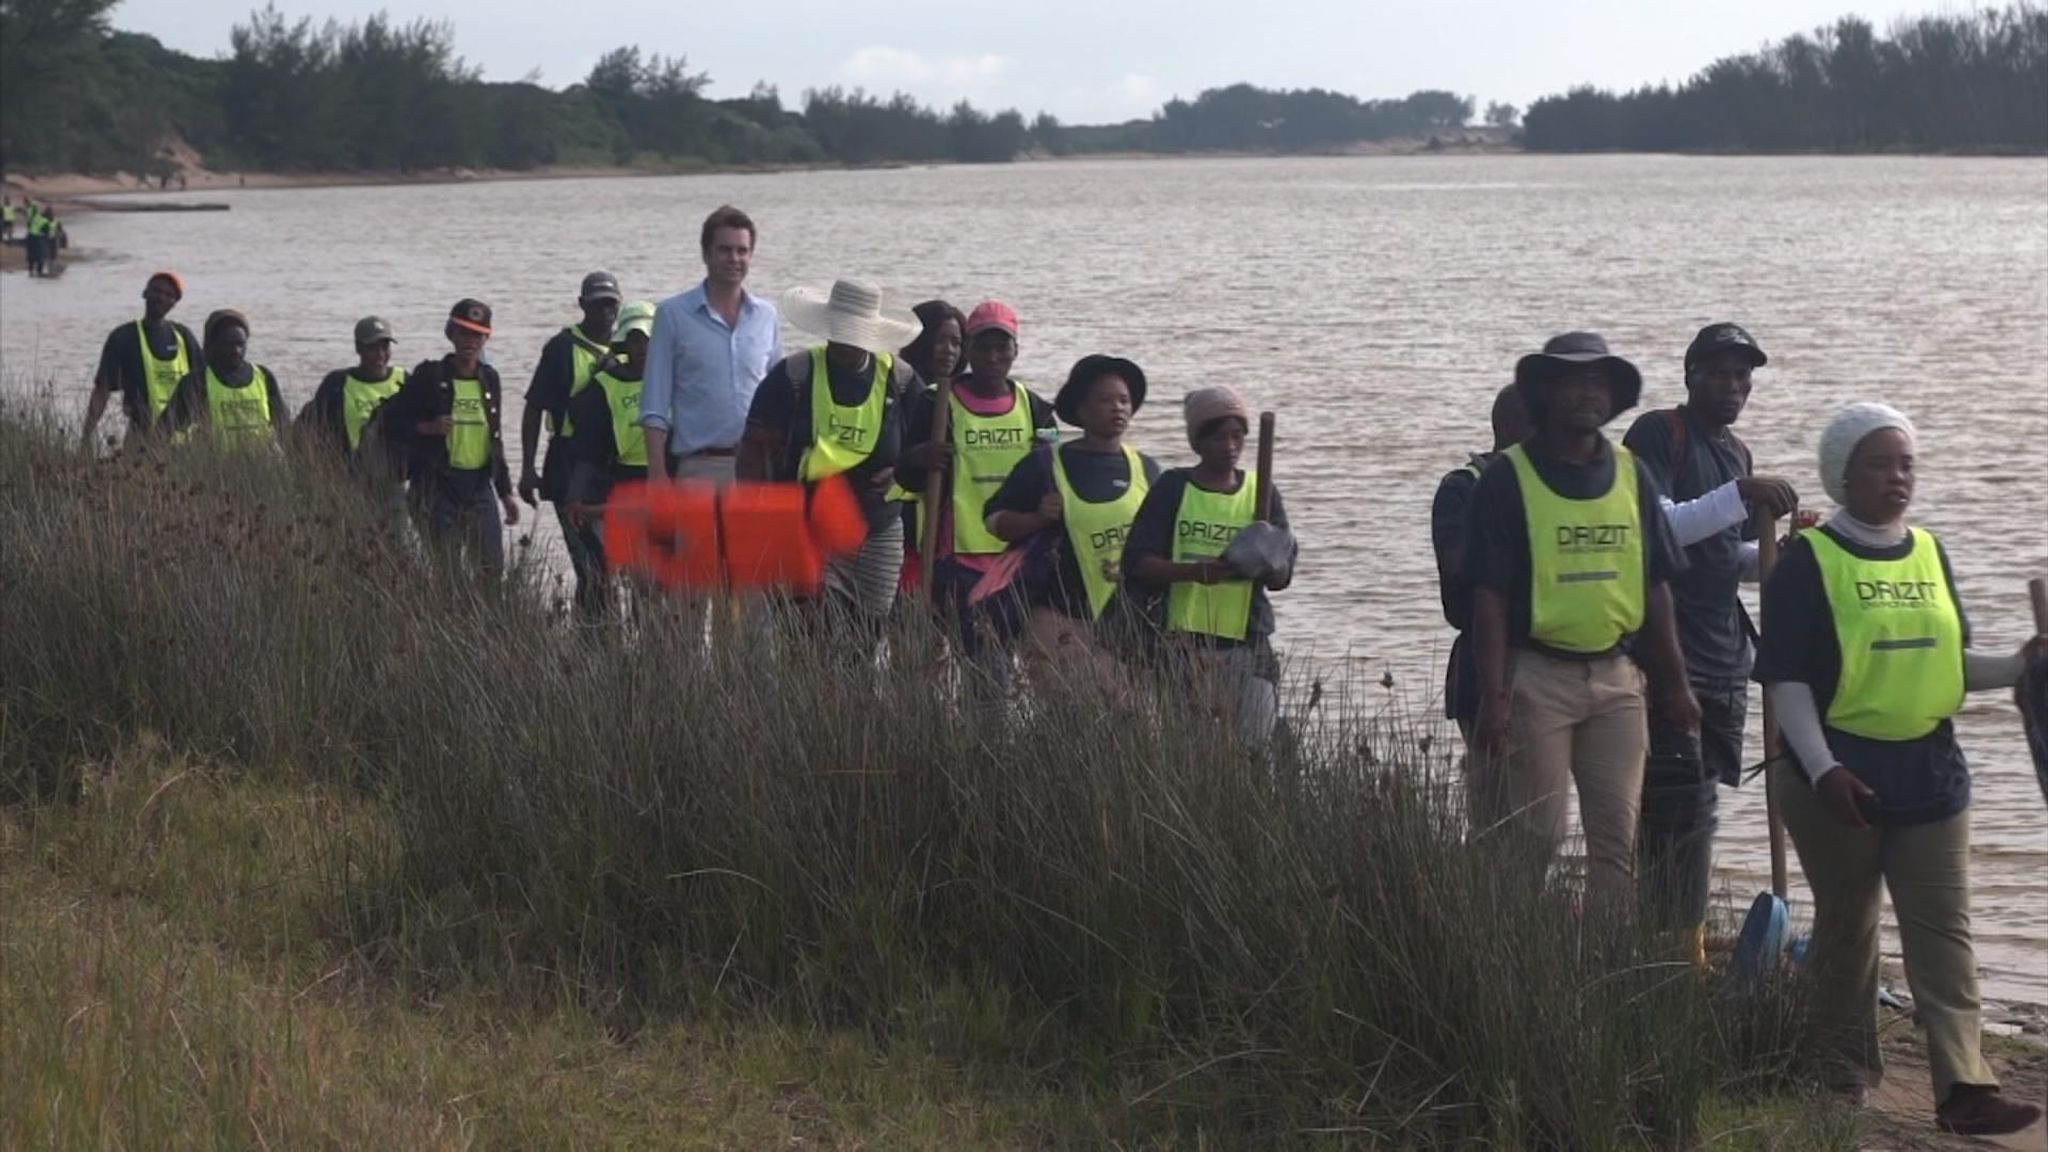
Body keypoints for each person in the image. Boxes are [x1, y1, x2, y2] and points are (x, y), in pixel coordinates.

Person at [1758, 403, 2046, 1137]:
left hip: (1930, 773)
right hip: (1835, 777)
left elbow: (1949, 665)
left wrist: (2022, 666)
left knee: (1944, 931)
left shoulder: (1929, 552)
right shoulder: (1809, 562)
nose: (1898, 477)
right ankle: (1842, 1076)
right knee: (1849, 928)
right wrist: (1823, 770)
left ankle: (1966, 1089)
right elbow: (1786, 680)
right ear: (1844, 473)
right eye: (1881, 463)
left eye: (1907, 463)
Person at [1461, 332, 1695, 903]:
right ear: (1544, 393)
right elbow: (1487, 597)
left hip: (1617, 680)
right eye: (1573, 381)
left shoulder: (1631, 473)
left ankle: (1602, 971)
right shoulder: (1507, 477)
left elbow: (1655, 585)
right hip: (1537, 677)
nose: (1588, 393)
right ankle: (1502, 946)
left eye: (1600, 382)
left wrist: (1676, 684)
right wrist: (1492, 698)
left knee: (1617, 842)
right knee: (1536, 835)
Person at [1622, 322, 1801, 948]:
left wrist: (1785, 550)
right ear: (1691, 374)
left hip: (1727, 654)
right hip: (1670, 654)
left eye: (1742, 377)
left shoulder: (1737, 452)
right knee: (1672, 805)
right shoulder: (1657, 434)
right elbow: (1656, 529)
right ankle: (1669, 939)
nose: (1733, 387)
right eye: (1720, 373)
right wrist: (1740, 494)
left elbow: (1731, 556)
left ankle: (1679, 934)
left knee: (1702, 804)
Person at [739, 279, 921, 621]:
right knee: (807, 629)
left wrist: (902, 472)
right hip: (803, 529)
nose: (846, 342)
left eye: (855, 334)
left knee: (868, 633)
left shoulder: (901, 380)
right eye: (840, 332)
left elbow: (925, 447)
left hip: (877, 533)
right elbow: (751, 454)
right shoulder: (792, 375)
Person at [1124, 385, 1297, 744]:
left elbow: (1283, 574)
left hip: (1248, 640)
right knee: (1194, 746)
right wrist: (1197, 573)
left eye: (1237, 437)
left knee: (1256, 744)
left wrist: (1267, 562)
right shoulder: (1174, 487)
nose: (1229, 447)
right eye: (1218, 438)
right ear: (1197, 442)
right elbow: (1137, 562)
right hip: (1181, 644)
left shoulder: (1260, 491)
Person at [984, 354, 1161, 666]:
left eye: (1124, 399)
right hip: (1057, 618)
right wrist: (1036, 519)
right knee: (1062, 714)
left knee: (1130, 712)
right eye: (1106, 399)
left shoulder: (1146, 468)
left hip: (1128, 623)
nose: (1118, 407)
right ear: (1081, 408)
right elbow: (994, 521)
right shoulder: (1043, 464)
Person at [894, 300, 1057, 632]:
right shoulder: (936, 401)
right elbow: (905, 474)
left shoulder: (1036, 409)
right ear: (969, 349)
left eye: (1002, 347)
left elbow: (1058, 474)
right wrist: (920, 457)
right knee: (973, 653)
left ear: (1016, 349)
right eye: (983, 347)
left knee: (1014, 654)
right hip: (956, 557)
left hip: (1018, 556)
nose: (993, 357)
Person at [642, 206, 782, 485]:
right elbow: (654, 405)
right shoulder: (673, 315)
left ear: (751, 256)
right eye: (725, 250)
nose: (734, 259)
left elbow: (777, 397)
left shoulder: (767, 316)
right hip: (698, 469)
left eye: (742, 251)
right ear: (706, 254)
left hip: (756, 468)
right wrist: (657, 473)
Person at [383, 299, 520, 578]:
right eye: (464, 333)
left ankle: (487, 621)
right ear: (451, 334)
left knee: (492, 570)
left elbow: (494, 439)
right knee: (449, 574)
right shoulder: (429, 376)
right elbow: (391, 422)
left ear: (486, 339)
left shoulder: (490, 379)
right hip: (436, 486)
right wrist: (427, 428)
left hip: (479, 486)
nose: (470, 341)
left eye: (477, 335)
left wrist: (506, 493)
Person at [1432, 383, 1533, 746]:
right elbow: (1462, 576)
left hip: (1549, 664)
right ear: (1507, 427)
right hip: (1482, 667)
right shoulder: (1461, 489)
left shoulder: (1553, 488)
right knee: (1495, 796)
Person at [519, 271, 622, 611]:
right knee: (591, 569)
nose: (605, 312)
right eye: (597, 305)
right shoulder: (562, 348)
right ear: (582, 305)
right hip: (569, 464)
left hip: (614, 467)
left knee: (613, 569)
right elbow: (534, 408)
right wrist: (527, 468)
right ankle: (593, 643)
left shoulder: (630, 346)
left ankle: (602, 641)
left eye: (610, 304)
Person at [562, 300, 657, 615]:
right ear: (625, 342)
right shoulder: (605, 386)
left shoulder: (674, 378)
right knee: (617, 577)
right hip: (621, 484)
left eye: (649, 338)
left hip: (665, 481)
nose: (643, 346)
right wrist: (576, 495)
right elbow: (588, 448)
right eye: (636, 339)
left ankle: (659, 648)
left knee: (663, 582)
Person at [890, 299, 970, 593]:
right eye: (940, 341)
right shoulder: (900, 387)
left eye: (956, 342)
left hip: (949, 526)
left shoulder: (963, 398)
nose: (949, 350)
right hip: (904, 524)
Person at [82, 272, 203, 450]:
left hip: (184, 442)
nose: (161, 298)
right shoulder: (123, 337)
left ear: (175, 303)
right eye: (157, 291)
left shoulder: (184, 337)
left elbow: (205, 386)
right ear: (145, 293)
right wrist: (86, 436)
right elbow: (102, 390)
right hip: (140, 438)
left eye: (169, 295)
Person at [156, 310, 288, 449]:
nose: (236, 350)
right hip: (214, 466)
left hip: (261, 464)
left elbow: (283, 426)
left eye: (240, 344)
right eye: (228, 344)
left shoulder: (264, 376)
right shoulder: (196, 382)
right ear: (211, 344)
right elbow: (164, 430)